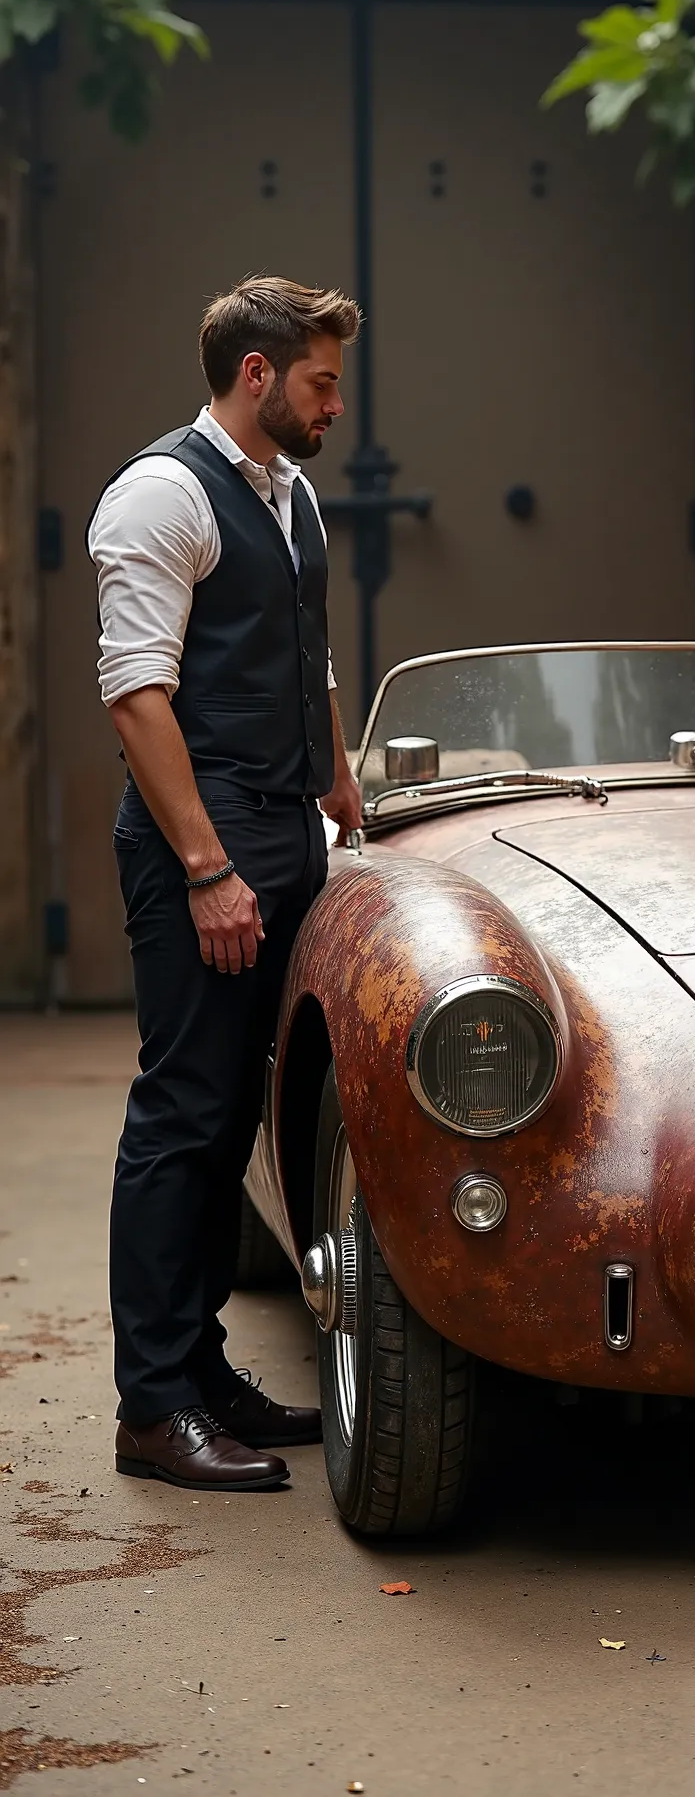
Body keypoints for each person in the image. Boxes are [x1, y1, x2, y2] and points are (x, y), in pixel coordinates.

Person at [88, 276, 365, 1491]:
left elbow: (305, 659)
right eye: (319, 381)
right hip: (201, 840)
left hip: (285, 828)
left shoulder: (290, 492)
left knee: (232, 1123)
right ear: (255, 375)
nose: (334, 404)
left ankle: (199, 1370)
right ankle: (152, 1406)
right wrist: (207, 870)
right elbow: (136, 695)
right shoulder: (162, 492)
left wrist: (341, 782)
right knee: (182, 1113)